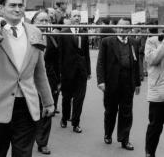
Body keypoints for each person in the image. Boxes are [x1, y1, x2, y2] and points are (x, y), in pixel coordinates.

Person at [0, 0, 54, 157]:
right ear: (1, 8)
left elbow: (39, 71)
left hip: (26, 106)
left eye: (20, 5)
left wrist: (48, 101)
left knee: (24, 154)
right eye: (12, 5)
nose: (18, 9)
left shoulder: (34, 32)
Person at [96, 17, 141, 150]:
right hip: (111, 83)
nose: (123, 30)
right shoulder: (107, 42)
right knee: (110, 111)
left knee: (126, 112)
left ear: (130, 29)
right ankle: (108, 133)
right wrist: (101, 81)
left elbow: (136, 63)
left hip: (128, 83)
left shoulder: (133, 42)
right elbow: (100, 63)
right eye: (121, 27)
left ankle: (124, 139)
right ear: (116, 27)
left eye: (126, 28)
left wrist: (137, 83)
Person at [32, 10, 60, 155]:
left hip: (49, 80)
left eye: (46, 20)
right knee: (29, 111)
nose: (44, 23)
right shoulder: (27, 36)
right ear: (34, 21)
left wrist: (58, 81)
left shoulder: (53, 38)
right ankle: (29, 138)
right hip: (29, 80)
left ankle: (43, 143)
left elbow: (57, 61)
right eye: (41, 20)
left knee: (47, 111)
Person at [58, 9, 91, 133]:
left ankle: (76, 123)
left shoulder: (84, 33)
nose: (77, 18)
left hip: (81, 71)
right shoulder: (64, 33)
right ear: (70, 18)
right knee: (66, 97)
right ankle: (64, 118)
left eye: (78, 16)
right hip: (67, 71)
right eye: (74, 16)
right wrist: (60, 71)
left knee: (79, 98)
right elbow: (60, 54)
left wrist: (88, 71)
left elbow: (86, 53)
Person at [144, 35, 164, 157]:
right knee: (155, 127)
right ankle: (150, 153)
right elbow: (151, 59)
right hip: (159, 92)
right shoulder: (152, 40)